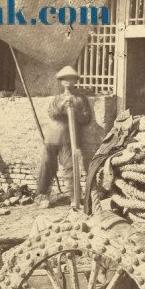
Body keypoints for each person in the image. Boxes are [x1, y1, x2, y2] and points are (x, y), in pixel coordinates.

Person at [36, 66, 92, 208]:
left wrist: (73, 109)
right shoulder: (57, 99)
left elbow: (86, 118)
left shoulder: (81, 99)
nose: (68, 81)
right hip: (52, 137)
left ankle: (74, 198)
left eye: (71, 78)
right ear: (61, 82)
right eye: (65, 79)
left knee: (70, 167)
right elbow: (52, 113)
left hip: (69, 139)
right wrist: (63, 105)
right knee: (47, 165)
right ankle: (42, 196)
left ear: (75, 81)